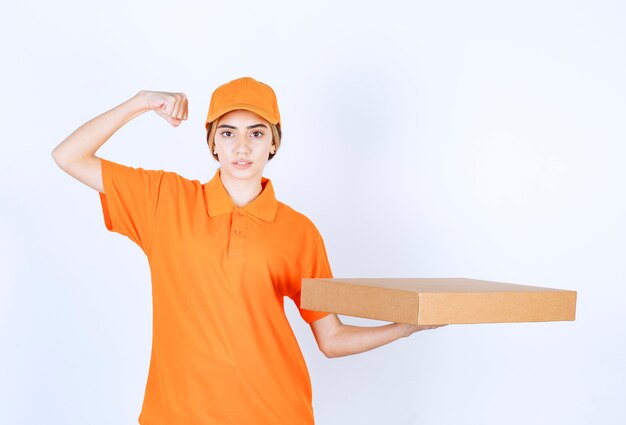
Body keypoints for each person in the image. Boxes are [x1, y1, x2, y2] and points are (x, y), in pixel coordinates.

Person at [52, 76, 443, 424]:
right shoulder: (163, 200)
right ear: (212, 141)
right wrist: (139, 101)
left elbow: (331, 338)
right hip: (175, 416)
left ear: (273, 142)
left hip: (274, 414)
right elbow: (68, 156)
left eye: (256, 133)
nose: (242, 146)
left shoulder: (298, 232)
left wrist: (405, 328)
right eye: (228, 133)